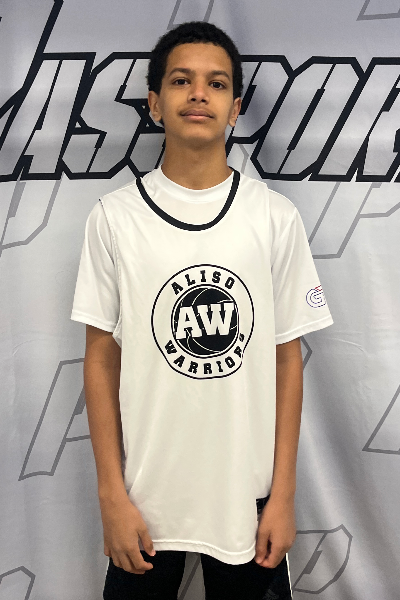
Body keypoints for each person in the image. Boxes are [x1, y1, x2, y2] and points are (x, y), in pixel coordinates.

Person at [70, 20, 333, 600]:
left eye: (216, 84)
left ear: (235, 108)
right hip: (145, 500)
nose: (198, 93)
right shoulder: (114, 218)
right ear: (154, 103)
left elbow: (287, 359)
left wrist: (284, 495)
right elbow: (101, 359)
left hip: (248, 500)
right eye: (180, 80)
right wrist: (111, 495)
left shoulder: (274, 217)